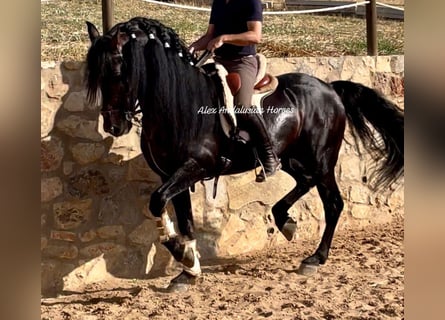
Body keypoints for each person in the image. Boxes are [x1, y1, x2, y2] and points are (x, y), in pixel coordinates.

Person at [189, 0, 281, 181]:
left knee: (242, 108)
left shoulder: (252, 2)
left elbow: (255, 36)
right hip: (219, 60)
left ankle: (270, 157)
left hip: (242, 62)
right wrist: (192, 47)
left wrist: (224, 38)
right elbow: (210, 35)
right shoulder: (219, 2)